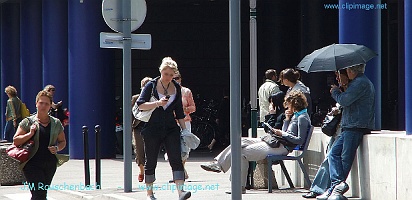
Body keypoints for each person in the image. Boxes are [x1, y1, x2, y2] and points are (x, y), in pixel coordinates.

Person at [200, 90, 311, 194]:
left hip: (281, 147)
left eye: (288, 103)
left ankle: (239, 186)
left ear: (294, 103)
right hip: (276, 142)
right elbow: (287, 131)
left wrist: (283, 134)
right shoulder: (295, 116)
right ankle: (219, 164)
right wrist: (287, 120)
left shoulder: (302, 118)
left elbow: (299, 140)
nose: (286, 106)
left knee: (242, 153)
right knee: (240, 141)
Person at [136, 57, 191, 200]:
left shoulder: (176, 88)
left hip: (171, 128)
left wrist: (185, 130)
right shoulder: (151, 86)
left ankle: (181, 192)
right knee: (151, 161)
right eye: (166, 74)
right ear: (161, 71)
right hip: (152, 128)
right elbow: (140, 105)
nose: (168, 77)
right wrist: (157, 104)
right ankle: (150, 193)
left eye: (171, 75)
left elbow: (179, 111)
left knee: (176, 159)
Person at [317, 64, 375, 200]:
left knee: (345, 158)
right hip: (350, 125)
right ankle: (337, 186)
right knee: (333, 154)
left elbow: (344, 100)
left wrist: (336, 91)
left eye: (347, 70)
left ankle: (336, 189)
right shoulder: (358, 83)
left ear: (350, 71)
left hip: (356, 126)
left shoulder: (360, 83)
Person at [302, 69, 350, 199]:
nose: (337, 78)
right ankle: (325, 188)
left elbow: (346, 103)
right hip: (338, 129)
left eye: (339, 75)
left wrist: (336, 93)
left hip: (344, 129)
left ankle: (325, 188)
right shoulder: (343, 89)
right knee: (329, 157)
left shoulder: (350, 89)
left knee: (331, 157)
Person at [13, 90, 66, 200]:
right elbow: (16, 140)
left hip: (49, 164)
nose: (43, 106)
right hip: (31, 164)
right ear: (36, 103)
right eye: (41, 103)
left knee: (41, 194)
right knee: (39, 194)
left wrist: (57, 148)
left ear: (50, 106)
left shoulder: (56, 123)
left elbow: (62, 141)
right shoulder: (27, 122)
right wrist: (30, 134)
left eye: (46, 104)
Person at [173, 71, 196, 179]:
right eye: (174, 78)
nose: (176, 80)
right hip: (172, 122)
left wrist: (184, 109)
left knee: (185, 147)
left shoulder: (186, 92)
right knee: (173, 147)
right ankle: (179, 171)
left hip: (185, 121)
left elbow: (193, 107)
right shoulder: (168, 91)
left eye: (177, 78)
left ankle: (180, 171)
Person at [132, 77, 152, 182]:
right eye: (144, 85)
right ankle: (141, 170)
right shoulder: (136, 98)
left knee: (150, 150)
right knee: (139, 150)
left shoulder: (154, 99)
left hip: (151, 127)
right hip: (138, 128)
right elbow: (130, 113)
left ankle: (149, 171)